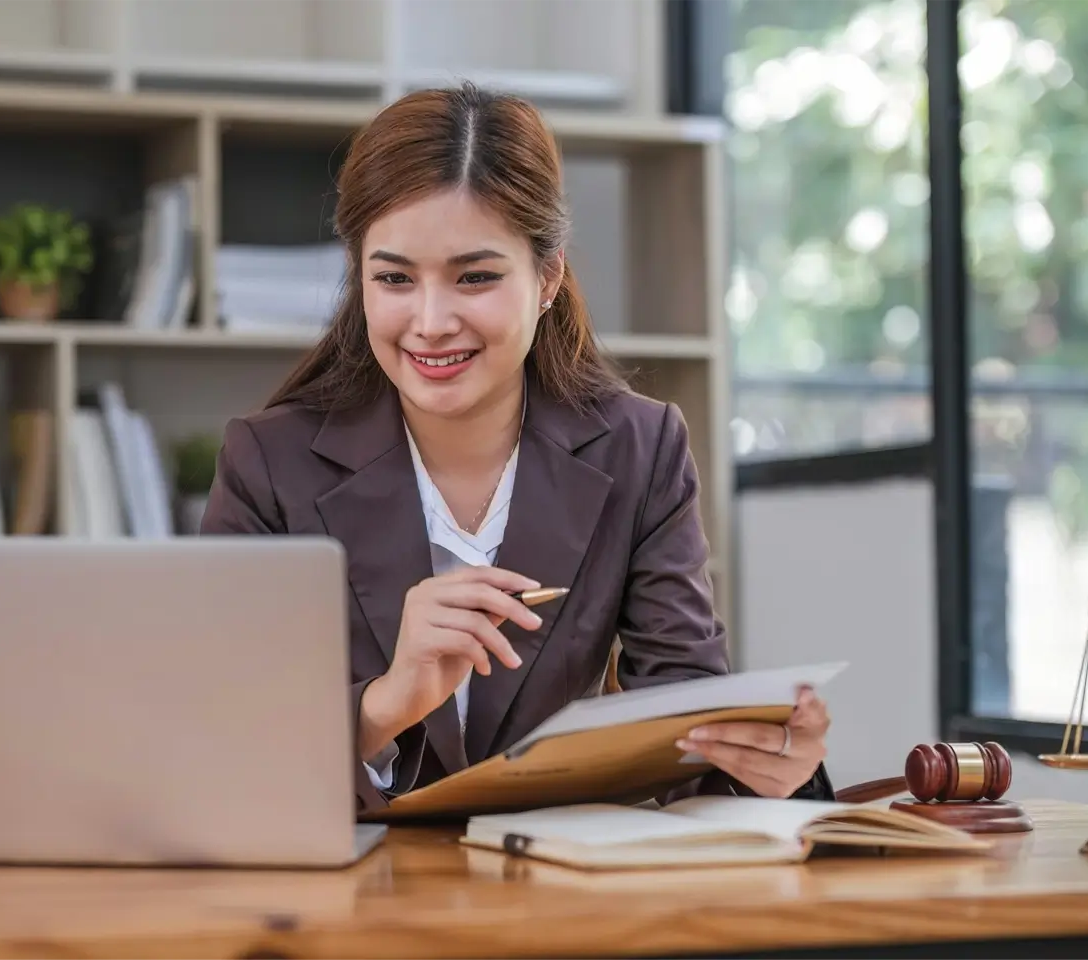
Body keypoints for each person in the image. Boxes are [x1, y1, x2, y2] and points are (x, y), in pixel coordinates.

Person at [201, 81, 835, 816]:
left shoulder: (640, 447)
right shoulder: (269, 463)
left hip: (554, 892)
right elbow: (220, 742)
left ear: (547, 278)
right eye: (394, 279)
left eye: (475, 277)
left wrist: (771, 765)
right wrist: (384, 705)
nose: (431, 321)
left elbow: (681, 733)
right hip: (344, 893)